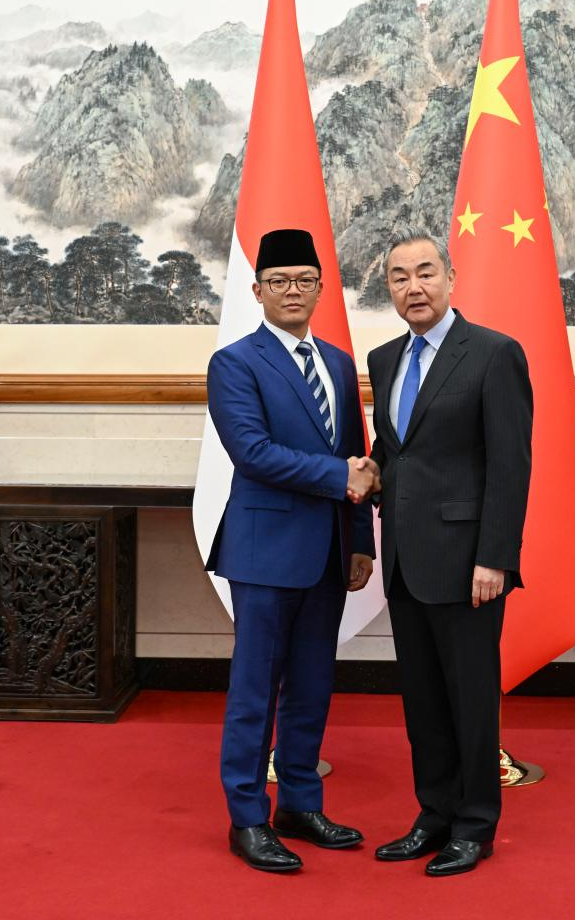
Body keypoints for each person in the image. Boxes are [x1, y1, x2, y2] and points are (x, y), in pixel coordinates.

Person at [205, 228, 376, 873]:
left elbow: (354, 453)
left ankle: (299, 804)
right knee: (256, 689)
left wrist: (360, 540)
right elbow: (252, 453)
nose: (293, 291)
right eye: (279, 282)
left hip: (329, 552)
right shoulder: (235, 363)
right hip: (264, 553)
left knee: (311, 686)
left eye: (305, 280)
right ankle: (247, 817)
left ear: (321, 289)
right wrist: (340, 478)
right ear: (258, 291)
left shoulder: (337, 362)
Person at [364, 226, 533, 877]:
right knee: (424, 701)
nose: (414, 287)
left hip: (469, 564)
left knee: (470, 699)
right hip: (405, 559)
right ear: (389, 288)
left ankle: (475, 825)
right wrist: (367, 471)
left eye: (425, 272)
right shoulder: (384, 359)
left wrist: (496, 557)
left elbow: (510, 464)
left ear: (450, 278)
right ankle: (434, 814)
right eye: (400, 276)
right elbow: (397, 449)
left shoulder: (493, 353)